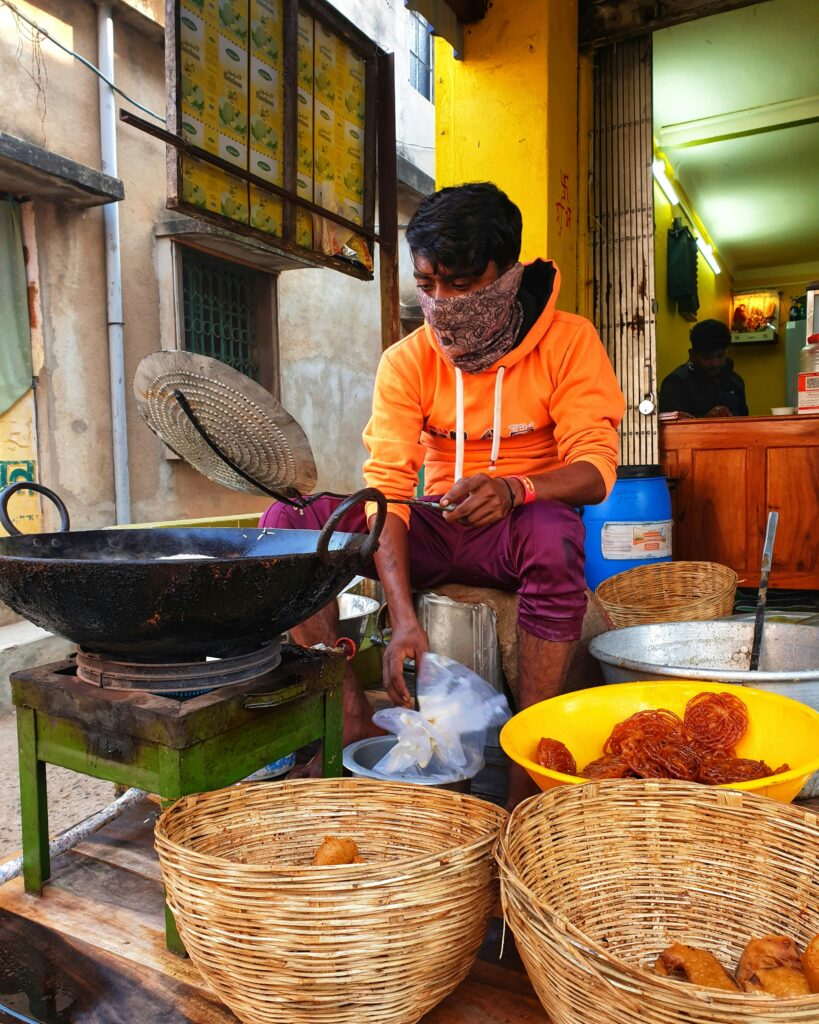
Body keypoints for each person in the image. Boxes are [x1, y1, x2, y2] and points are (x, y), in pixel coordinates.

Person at [262, 182, 625, 805]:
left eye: (460, 285)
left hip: (520, 524)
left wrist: (517, 489)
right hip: (434, 521)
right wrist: (402, 620)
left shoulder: (569, 341)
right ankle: (345, 715)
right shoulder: (406, 361)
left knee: (556, 533)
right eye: (427, 286)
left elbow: (595, 469)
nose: (441, 303)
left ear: (506, 274)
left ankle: (524, 765)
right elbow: (391, 494)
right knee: (293, 518)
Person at [659, 319, 749, 418]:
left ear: (727, 352)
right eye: (707, 357)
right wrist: (705, 420)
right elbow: (669, 428)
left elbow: (745, 421)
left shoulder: (736, 381)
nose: (715, 363)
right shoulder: (675, 383)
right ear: (692, 355)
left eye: (720, 355)